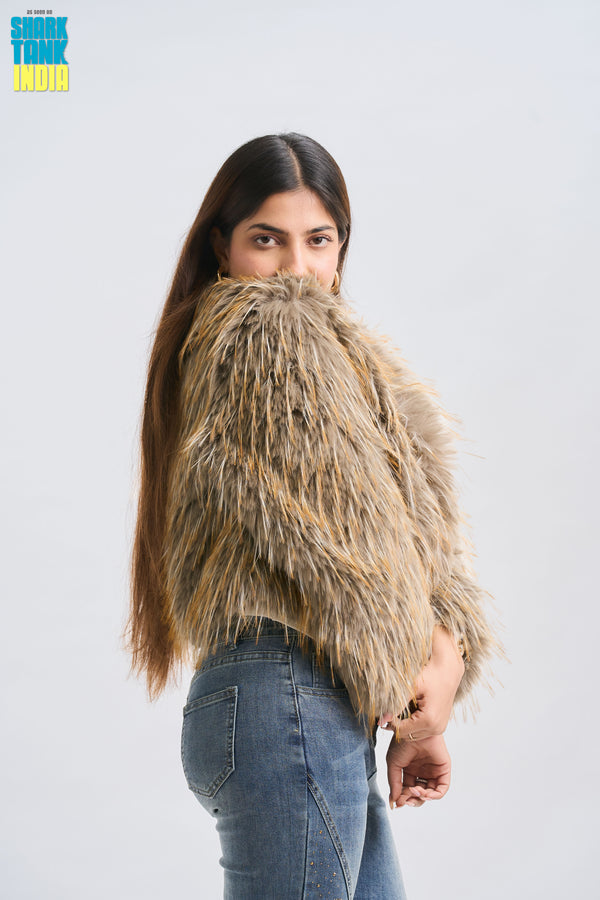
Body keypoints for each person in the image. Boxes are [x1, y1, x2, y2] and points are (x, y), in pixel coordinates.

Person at [125, 133, 499, 899]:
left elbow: (383, 534)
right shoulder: (266, 336)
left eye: (318, 240)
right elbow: (334, 547)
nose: (297, 269)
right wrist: (423, 677)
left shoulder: (321, 357)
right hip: (288, 697)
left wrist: (428, 677)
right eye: (268, 239)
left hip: (303, 707)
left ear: (341, 248)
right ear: (223, 248)